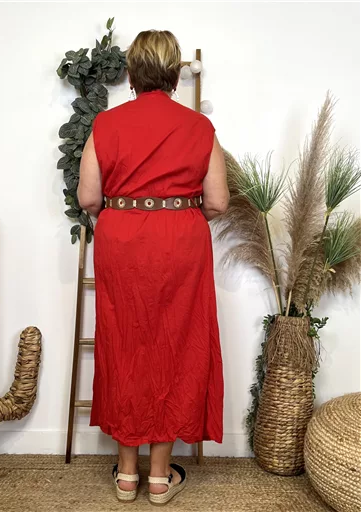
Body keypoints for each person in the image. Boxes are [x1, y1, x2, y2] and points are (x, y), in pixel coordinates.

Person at [77, 29, 229, 506]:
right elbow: (218, 202)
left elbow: (88, 198)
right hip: (182, 242)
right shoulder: (199, 128)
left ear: (131, 73)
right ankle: (160, 478)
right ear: (174, 74)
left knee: (125, 341)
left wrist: (128, 216)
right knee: (176, 346)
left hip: (121, 241)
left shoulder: (106, 124)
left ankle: (127, 475)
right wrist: (177, 219)